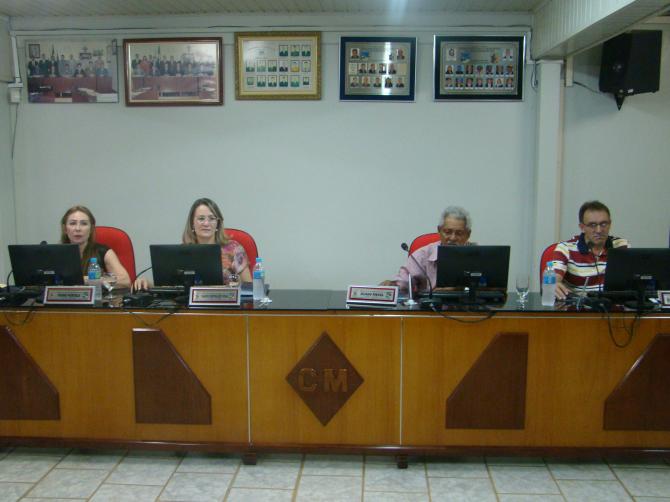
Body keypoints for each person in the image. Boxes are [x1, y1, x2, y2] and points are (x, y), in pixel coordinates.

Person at [134, 198, 252, 289]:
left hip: (226, 307)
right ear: (192, 223)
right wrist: (147, 283)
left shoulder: (233, 249)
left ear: (218, 223)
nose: (206, 223)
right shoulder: (183, 251)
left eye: (211, 218)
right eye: (201, 218)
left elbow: (249, 287)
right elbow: (169, 286)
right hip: (191, 309)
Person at [382, 206, 474, 292]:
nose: (453, 238)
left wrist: (458, 288)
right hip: (431, 303)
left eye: (459, 233)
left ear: (468, 234)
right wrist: (392, 285)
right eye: (448, 232)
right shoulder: (423, 254)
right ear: (439, 230)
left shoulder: (476, 256)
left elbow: (482, 287)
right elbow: (404, 283)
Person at [552, 200, 628, 299]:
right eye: (592, 225)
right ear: (582, 227)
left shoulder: (621, 246)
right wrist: (554, 284)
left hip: (612, 305)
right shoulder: (565, 248)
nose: (599, 230)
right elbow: (553, 278)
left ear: (610, 224)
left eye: (603, 224)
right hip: (578, 305)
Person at [60, 205, 131, 288]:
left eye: (84, 224)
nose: (78, 228)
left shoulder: (103, 252)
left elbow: (125, 281)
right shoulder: (56, 254)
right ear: (65, 229)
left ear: (91, 229)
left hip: (97, 296)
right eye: (72, 223)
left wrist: (88, 280)